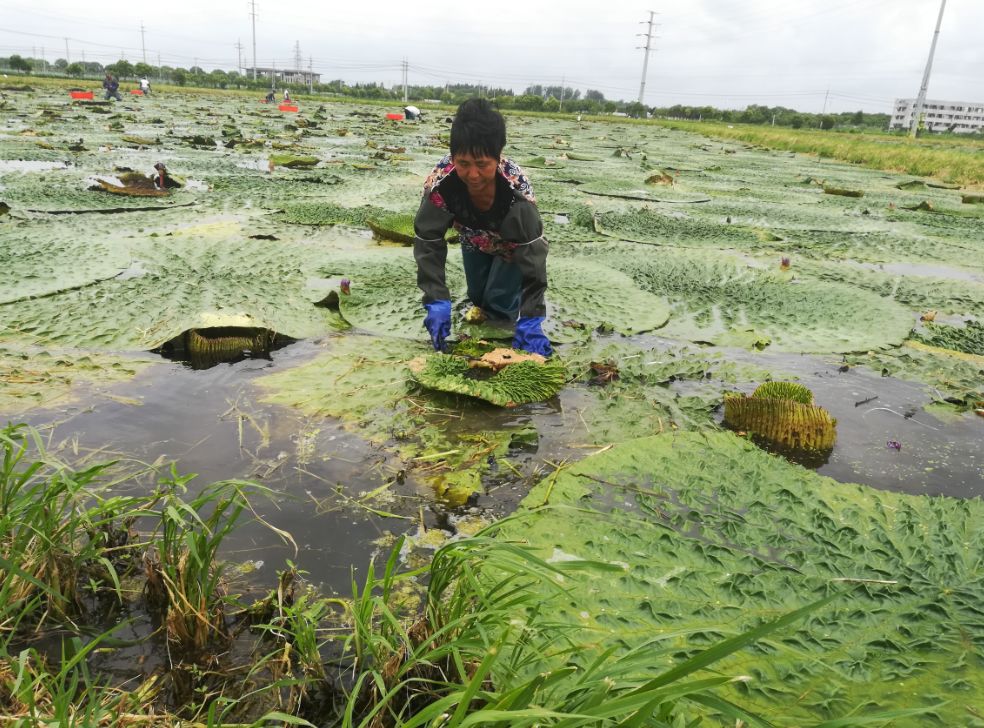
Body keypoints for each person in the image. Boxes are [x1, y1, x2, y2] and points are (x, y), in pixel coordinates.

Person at [413, 98, 551, 356]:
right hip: (472, 239)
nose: (473, 174)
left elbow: (533, 254)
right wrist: (436, 298)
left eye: (482, 164)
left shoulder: (516, 190)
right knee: (477, 296)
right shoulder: (441, 183)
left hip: (511, 247)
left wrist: (532, 317)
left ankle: (499, 347)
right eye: (463, 163)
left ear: (497, 157)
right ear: (453, 156)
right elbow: (428, 240)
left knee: (498, 303)